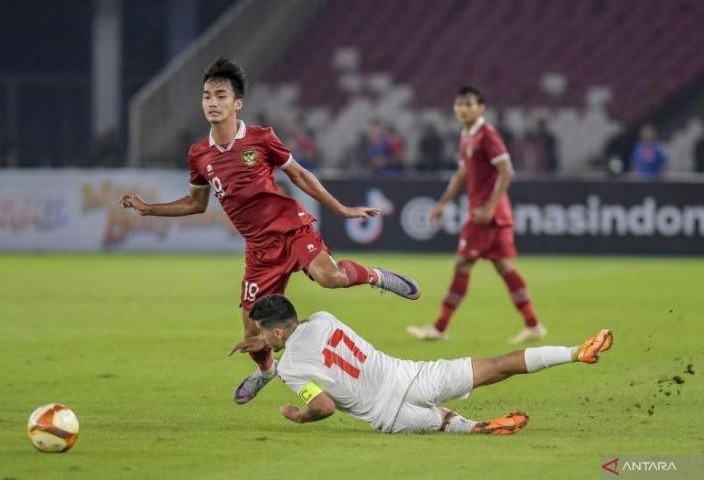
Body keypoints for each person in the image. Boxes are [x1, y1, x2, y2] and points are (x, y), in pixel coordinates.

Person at [119, 57, 420, 405]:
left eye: (220, 96)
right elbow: (195, 204)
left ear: (237, 103)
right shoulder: (199, 154)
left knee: (330, 277)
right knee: (253, 335)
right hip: (259, 250)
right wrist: (148, 208)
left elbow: (300, 175)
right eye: (206, 96)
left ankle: (377, 277)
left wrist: (340, 208)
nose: (212, 103)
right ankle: (266, 371)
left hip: (291, 229)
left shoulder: (261, 139)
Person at [230, 294, 613, 434]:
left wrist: (298, 416)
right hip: (411, 376)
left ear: (278, 335)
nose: (262, 339)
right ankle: (575, 352)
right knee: (497, 365)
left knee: (443, 423)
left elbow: (324, 406)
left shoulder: (292, 368)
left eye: (263, 333)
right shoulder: (324, 318)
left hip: (389, 415)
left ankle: (479, 427)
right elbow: (301, 339)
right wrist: (267, 343)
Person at [406, 86, 545, 343]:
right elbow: (462, 174)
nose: (463, 109)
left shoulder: (487, 135)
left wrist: (490, 206)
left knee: (462, 264)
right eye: (459, 104)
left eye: (469, 104)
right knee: (503, 266)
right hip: (489, 212)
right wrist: (442, 203)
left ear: (481, 108)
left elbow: (507, 172)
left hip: (485, 214)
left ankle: (439, 328)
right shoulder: (467, 135)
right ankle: (533, 325)